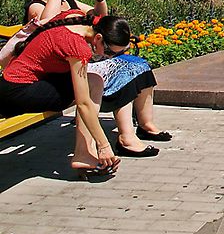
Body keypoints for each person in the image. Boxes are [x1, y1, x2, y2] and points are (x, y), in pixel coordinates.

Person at [3, 0, 170, 157]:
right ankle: (120, 139)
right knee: (114, 75)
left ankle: (141, 126)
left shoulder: (70, 4)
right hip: (39, 78)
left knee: (135, 65)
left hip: (63, 67)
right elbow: (48, 24)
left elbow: (100, 22)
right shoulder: (39, 5)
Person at [0, 13, 131, 179]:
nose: (107, 56)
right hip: (18, 93)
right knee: (90, 87)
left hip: (10, 86)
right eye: (109, 52)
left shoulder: (75, 18)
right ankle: (83, 154)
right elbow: (83, 103)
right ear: (98, 38)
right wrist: (104, 145)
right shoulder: (76, 46)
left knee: (94, 80)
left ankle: (83, 153)